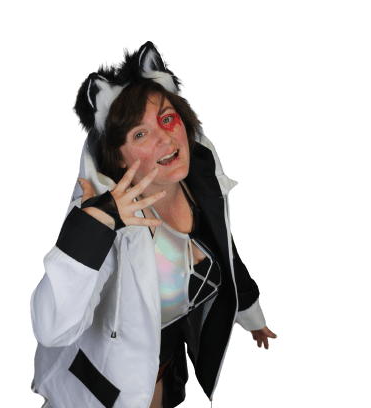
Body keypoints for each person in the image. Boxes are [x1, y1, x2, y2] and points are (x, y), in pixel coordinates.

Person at [30, 41, 277, 408]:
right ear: (116, 156)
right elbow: (51, 328)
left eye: (166, 119)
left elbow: (226, 251)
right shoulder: (104, 225)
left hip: (164, 375)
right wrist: (94, 225)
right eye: (139, 134)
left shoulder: (201, 184)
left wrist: (251, 315)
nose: (164, 138)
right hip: (101, 392)